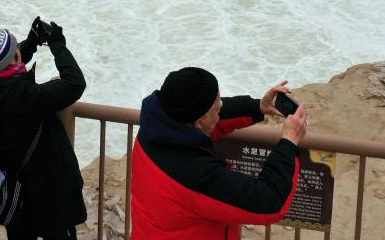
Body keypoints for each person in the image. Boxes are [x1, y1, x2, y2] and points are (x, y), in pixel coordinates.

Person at [130, 67, 308, 239]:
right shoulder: (196, 174)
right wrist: (289, 141)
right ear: (199, 121)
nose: (221, 109)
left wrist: (257, 107)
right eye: (217, 107)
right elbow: (269, 202)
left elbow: (209, 121)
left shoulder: (152, 132)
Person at [0, 20, 87, 240]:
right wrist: (58, 44)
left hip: (11, 192)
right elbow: (75, 83)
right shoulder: (27, 97)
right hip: (48, 191)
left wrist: (32, 42)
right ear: (16, 58)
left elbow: (5, 66)